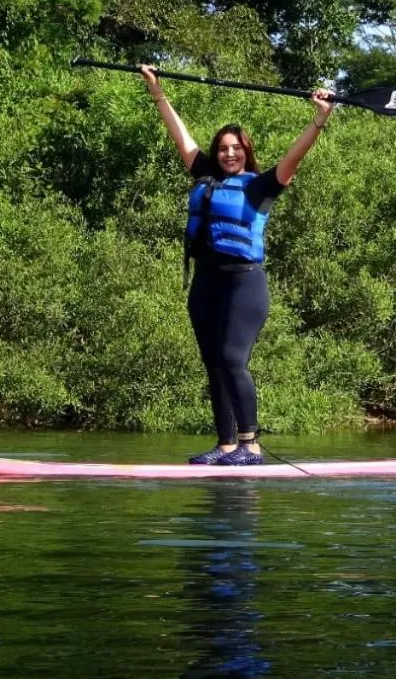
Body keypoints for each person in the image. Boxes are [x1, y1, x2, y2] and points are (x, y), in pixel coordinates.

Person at [140, 64, 333, 465]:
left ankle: (252, 447)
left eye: (236, 149)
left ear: (246, 152)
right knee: (214, 365)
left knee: (232, 359)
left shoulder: (261, 184)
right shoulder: (206, 176)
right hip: (206, 285)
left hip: (244, 285)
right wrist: (157, 92)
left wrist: (319, 120)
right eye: (223, 148)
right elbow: (181, 137)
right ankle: (226, 446)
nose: (229, 154)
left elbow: (294, 156)